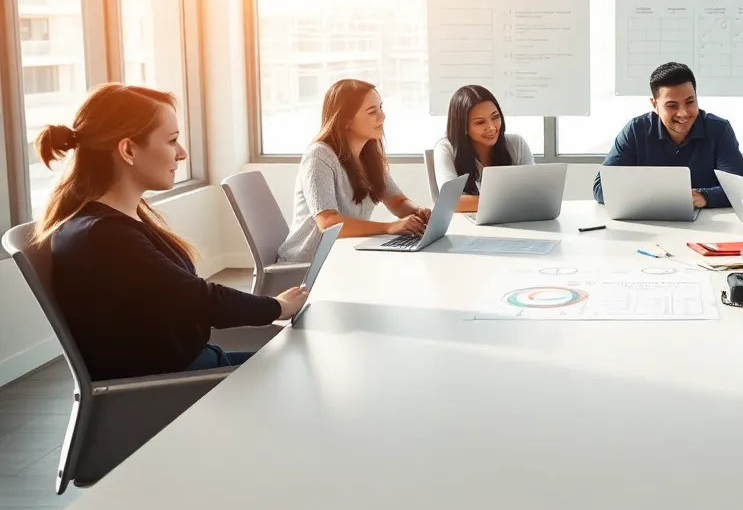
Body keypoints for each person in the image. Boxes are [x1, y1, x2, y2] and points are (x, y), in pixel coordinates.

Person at [34, 84, 308, 381]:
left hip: (192, 364)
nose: (182, 154)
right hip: (177, 385)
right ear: (128, 150)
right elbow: (200, 301)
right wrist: (277, 307)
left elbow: (184, 298)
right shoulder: (105, 238)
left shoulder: (106, 224)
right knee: (304, 370)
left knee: (303, 361)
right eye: (172, 141)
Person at [278, 79, 431, 263]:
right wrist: (389, 227)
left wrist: (418, 212)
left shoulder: (368, 155)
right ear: (346, 120)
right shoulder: (319, 156)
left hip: (343, 258)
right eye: (372, 111)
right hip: (308, 265)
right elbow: (327, 223)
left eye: (380, 108)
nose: (382, 116)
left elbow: (397, 201)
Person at [593, 62, 743, 209]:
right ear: (655, 105)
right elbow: (600, 188)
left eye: (690, 102)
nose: (683, 113)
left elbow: (740, 191)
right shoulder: (635, 130)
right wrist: (658, 197)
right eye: (672, 106)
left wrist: (704, 196)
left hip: (707, 225)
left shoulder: (719, 130)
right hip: (648, 223)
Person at [433, 84, 535, 212]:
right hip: (466, 226)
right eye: (480, 122)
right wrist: (511, 202)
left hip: (513, 220)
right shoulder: (446, 149)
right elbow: (450, 201)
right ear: (462, 127)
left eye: (495, 117)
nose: (492, 127)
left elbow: (533, 194)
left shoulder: (516, 143)